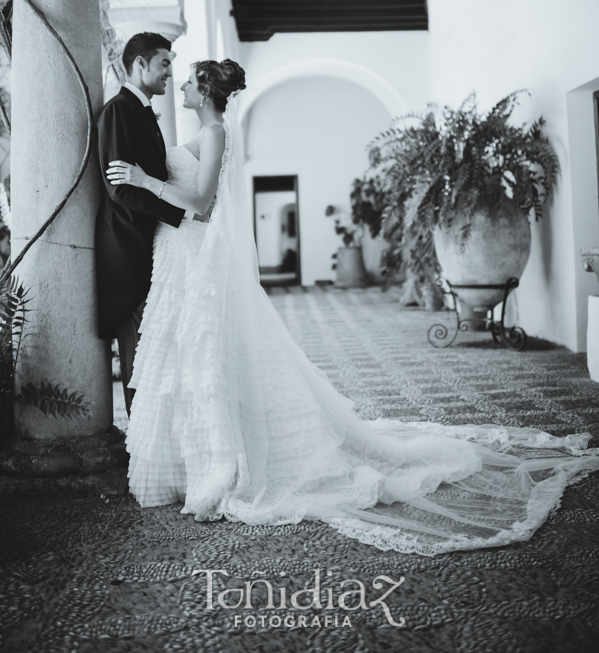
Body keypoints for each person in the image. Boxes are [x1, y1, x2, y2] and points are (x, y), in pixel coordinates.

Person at [106, 60, 599, 556]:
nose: (183, 86)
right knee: (202, 358)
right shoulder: (209, 129)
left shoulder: (213, 132)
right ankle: (193, 462)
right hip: (183, 256)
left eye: (189, 81)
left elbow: (205, 202)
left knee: (208, 356)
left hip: (196, 253)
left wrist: (145, 182)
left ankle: (223, 462)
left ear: (206, 91)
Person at [95, 33, 187, 415]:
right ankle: (141, 450)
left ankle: (154, 444)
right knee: (139, 357)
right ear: (140, 64)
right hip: (129, 248)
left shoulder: (141, 109)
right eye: (164, 63)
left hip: (149, 246)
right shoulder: (119, 110)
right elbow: (120, 190)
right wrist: (178, 216)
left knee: (154, 354)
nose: (170, 72)